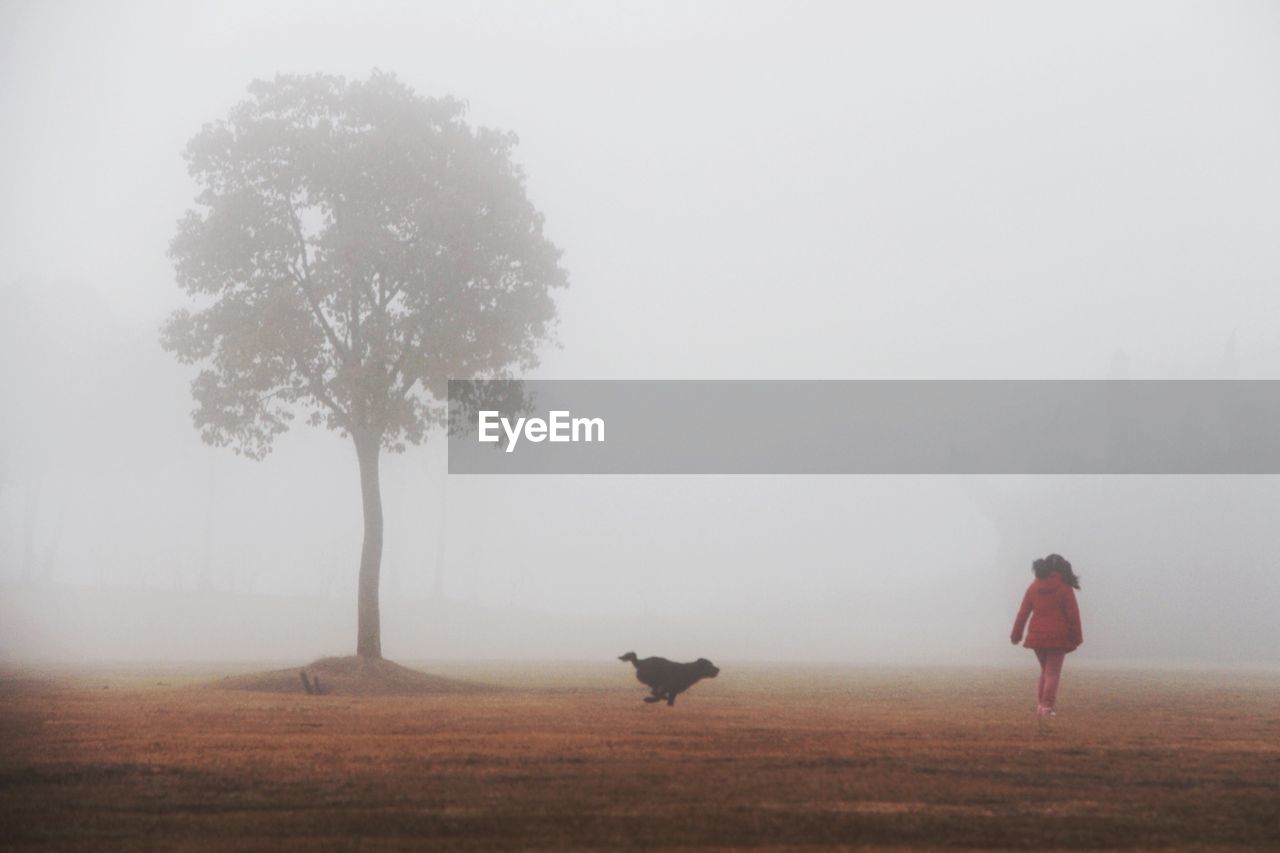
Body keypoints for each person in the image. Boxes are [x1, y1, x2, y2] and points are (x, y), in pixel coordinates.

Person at [1010, 553, 1082, 717]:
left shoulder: (1033, 587)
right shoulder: (1065, 588)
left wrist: (1016, 635)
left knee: (1045, 672)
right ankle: (1046, 707)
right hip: (1058, 638)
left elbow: (1023, 613)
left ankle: (1041, 706)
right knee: (1052, 673)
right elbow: (1073, 615)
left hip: (1037, 637)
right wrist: (1077, 637)